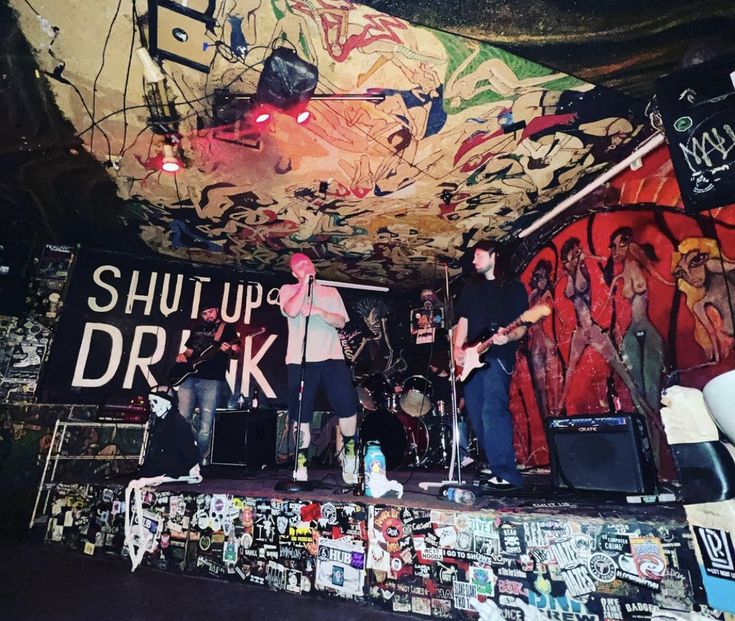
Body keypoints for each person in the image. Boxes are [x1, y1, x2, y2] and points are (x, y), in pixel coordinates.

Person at [452, 240, 528, 491]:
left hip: (497, 357)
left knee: (492, 410)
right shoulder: (471, 288)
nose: (473, 261)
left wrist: (508, 336)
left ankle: (506, 472)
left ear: (494, 256)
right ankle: (495, 464)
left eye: (478, 255)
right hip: (472, 360)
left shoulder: (513, 288)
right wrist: (457, 349)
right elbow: (462, 321)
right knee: (476, 415)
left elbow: (522, 327)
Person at [279, 253, 359, 484]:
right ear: (295, 273)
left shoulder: (331, 292)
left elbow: (341, 322)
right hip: (299, 360)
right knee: (301, 414)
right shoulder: (288, 289)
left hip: (332, 357)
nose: (306, 267)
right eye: (300, 266)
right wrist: (304, 285)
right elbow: (292, 310)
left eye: (308, 263)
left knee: (347, 406)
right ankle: (301, 463)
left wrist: (320, 312)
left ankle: (350, 455)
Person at [175, 296, 241, 465]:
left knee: (206, 424)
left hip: (212, 380)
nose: (208, 316)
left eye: (210, 312)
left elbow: (236, 352)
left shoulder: (227, 329)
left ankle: (199, 457)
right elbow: (189, 351)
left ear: (217, 310)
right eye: (204, 314)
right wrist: (183, 356)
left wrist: (228, 350)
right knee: (182, 419)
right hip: (188, 377)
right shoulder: (197, 329)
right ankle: (186, 454)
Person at [139, 386, 200, 479]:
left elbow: (188, 453)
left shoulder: (177, 423)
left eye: (155, 402)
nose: (152, 407)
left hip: (178, 461)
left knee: (148, 471)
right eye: (151, 403)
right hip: (171, 459)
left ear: (167, 403)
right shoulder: (162, 421)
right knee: (146, 470)